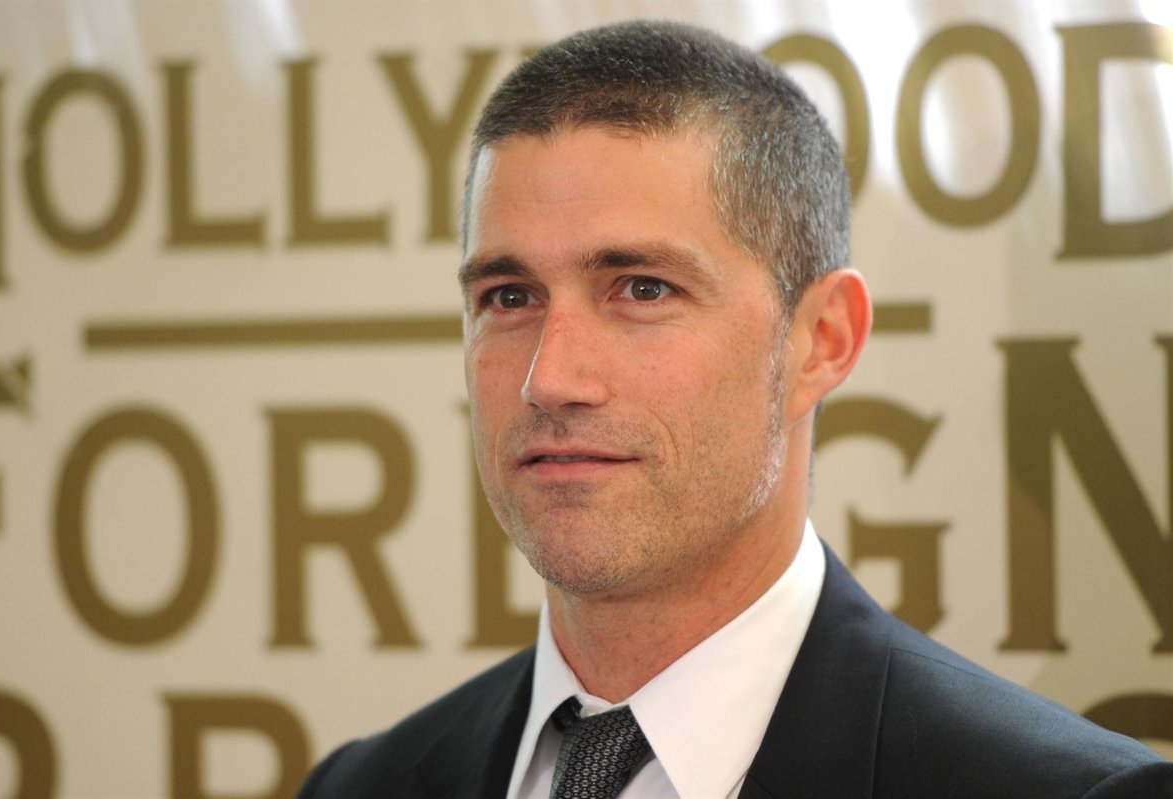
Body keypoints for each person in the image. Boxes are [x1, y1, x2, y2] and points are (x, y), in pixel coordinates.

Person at [298, 20, 1171, 798]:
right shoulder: (361, 785)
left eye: (643, 288)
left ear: (821, 339)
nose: (550, 378)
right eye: (509, 296)